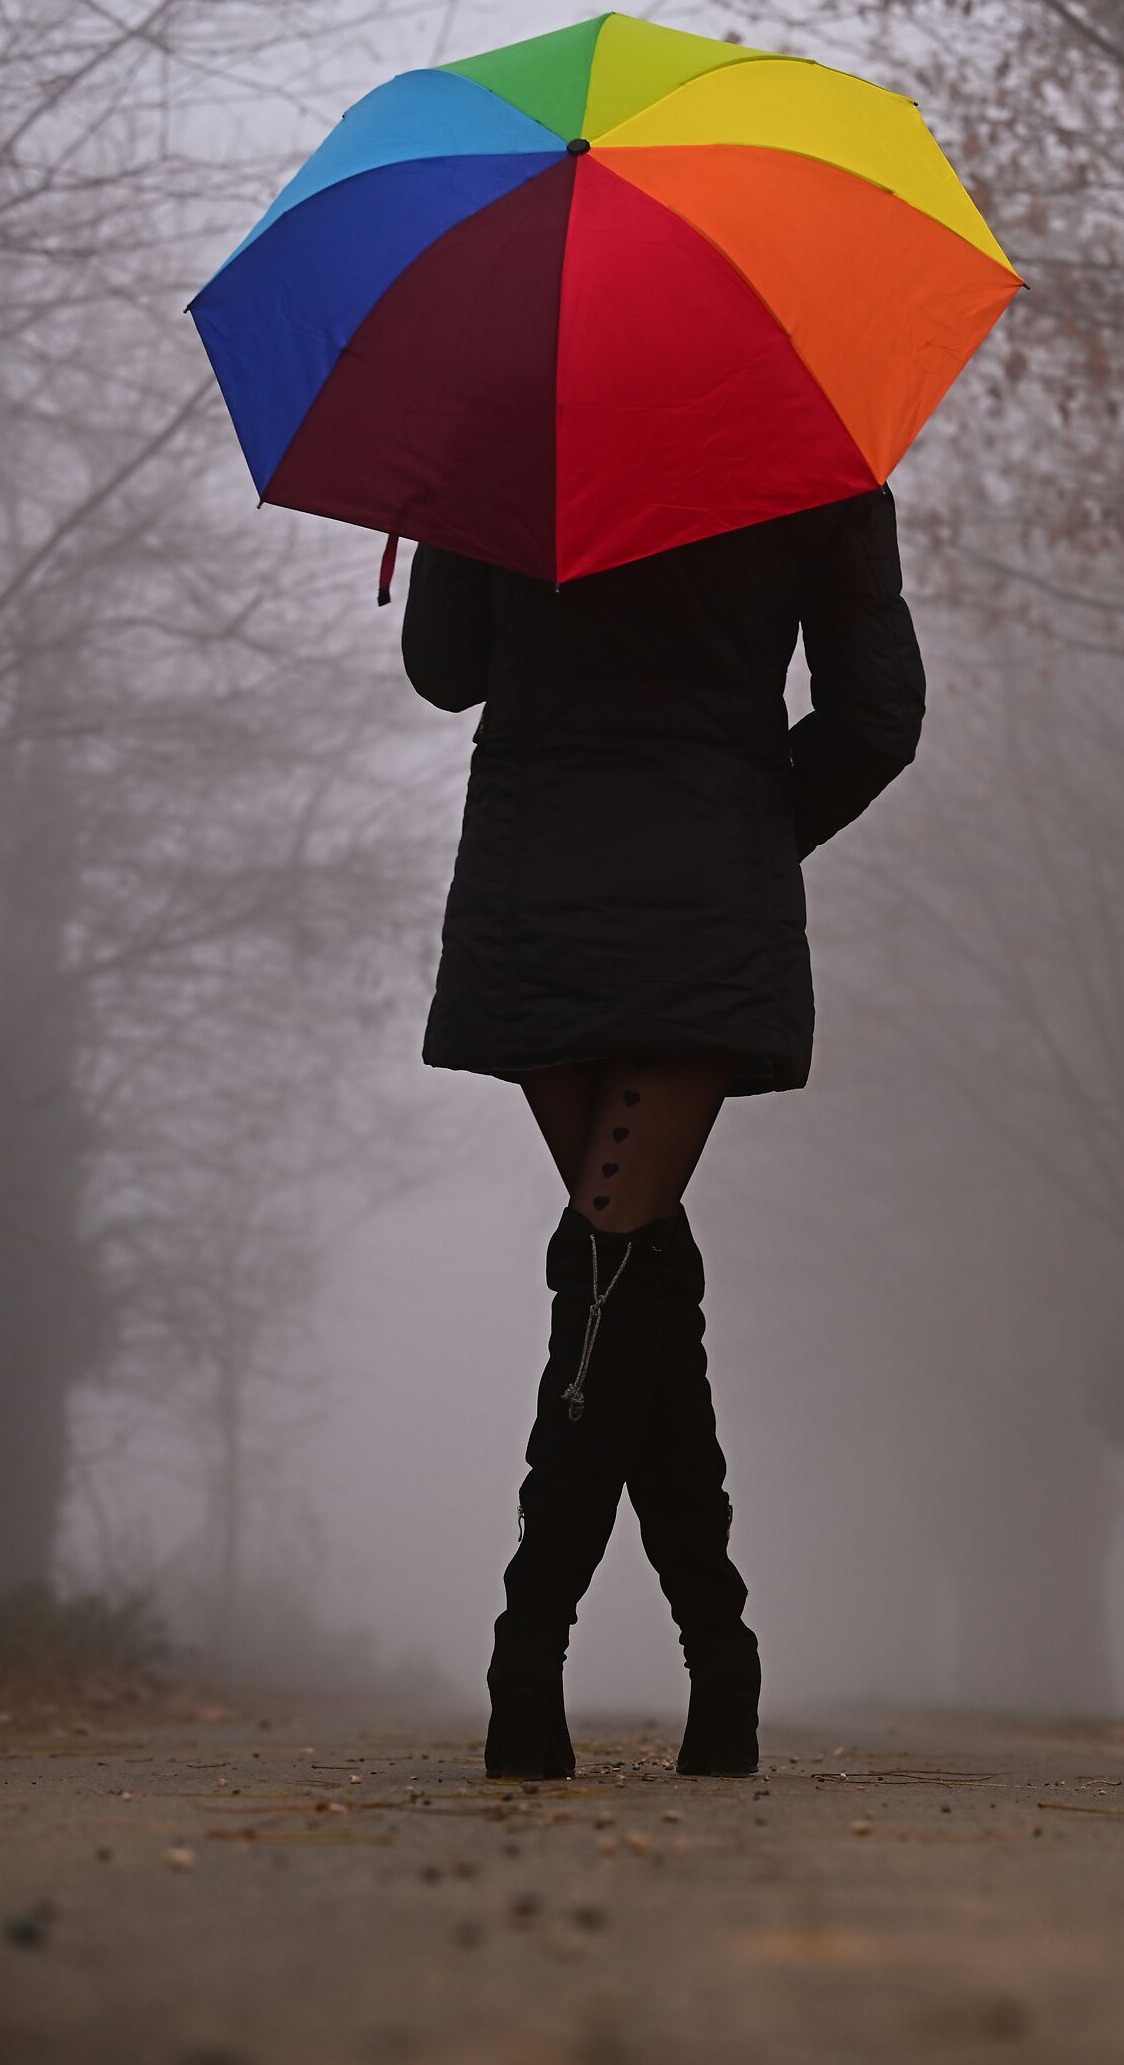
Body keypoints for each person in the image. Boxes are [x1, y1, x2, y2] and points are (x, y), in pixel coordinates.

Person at [400, 485, 925, 1780]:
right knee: (625, 1261)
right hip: (699, 896)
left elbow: (444, 673)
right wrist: (748, 826)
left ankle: (534, 1666)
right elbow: (876, 720)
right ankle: (715, 1663)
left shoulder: (502, 433)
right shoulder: (817, 454)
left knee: (613, 1255)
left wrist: (445, 508)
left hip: (540, 894)